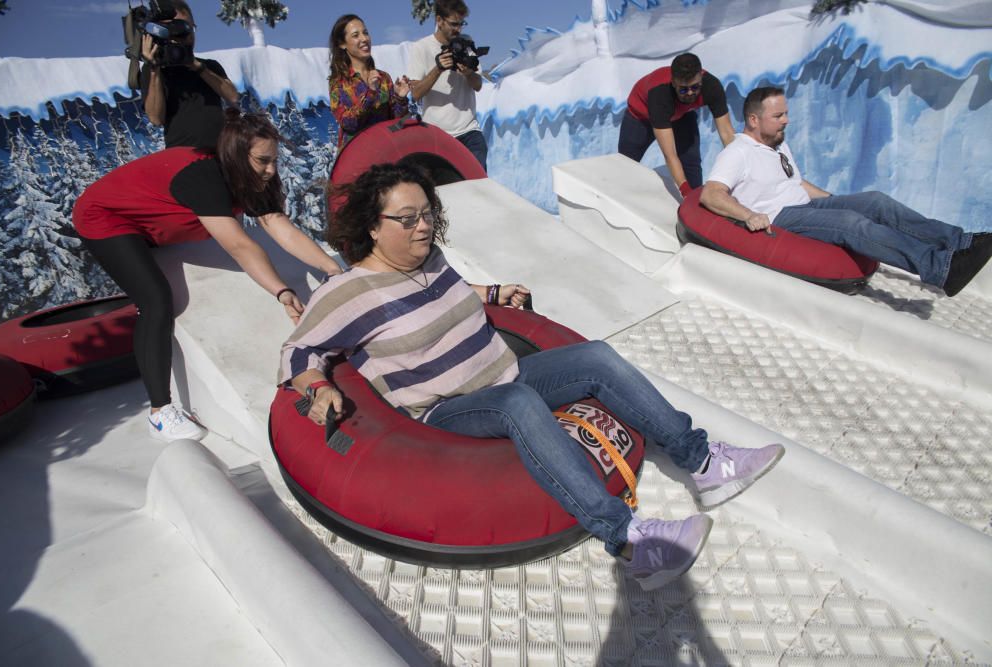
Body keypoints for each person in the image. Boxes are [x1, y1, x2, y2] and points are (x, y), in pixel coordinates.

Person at [278, 162, 784, 590]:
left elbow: (447, 295)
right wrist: (318, 387)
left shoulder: (429, 259)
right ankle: (629, 542)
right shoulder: (346, 294)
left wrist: (492, 293)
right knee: (517, 405)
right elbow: (298, 350)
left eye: (427, 213)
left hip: (507, 369)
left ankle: (703, 464)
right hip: (450, 408)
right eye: (407, 219)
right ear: (372, 225)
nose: (423, 227)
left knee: (596, 356)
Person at [75, 110, 342, 442]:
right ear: (236, 156)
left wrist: (333, 270)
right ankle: (160, 413)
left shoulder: (253, 176)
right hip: (107, 217)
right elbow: (239, 245)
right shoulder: (204, 177)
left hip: (156, 221)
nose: (271, 169)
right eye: (263, 160)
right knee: (156, 300)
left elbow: (278, 226)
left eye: (274, 160)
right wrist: (282, 291)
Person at [700, 86, 992, 297]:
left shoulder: (777, 144)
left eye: (786, 113)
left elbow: (796, 183)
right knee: (852, 225)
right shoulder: (737, 152)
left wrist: (835, 202)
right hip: (780, 217)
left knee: (875, 202)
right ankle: (939, 268)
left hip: (806, 206)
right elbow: (711, 194)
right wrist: (749, 215)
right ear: (754, 120)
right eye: (778, 116)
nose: (786, 120)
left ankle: (960, 241)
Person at [618, 53, 735, 197]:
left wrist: (740, 170)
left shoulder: (712, 87)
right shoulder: (660, 95)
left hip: (681, 115)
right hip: (640, 116)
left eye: (695, 87)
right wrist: (684, 191)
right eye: (683, 89)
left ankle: (695, 203)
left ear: (701, 78)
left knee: (691, 161)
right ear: (673, 83)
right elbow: (670, 155)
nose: (690, 93)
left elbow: (727, 134)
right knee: (625, 164)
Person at [141, 1, 240, 149]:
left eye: (187, 28)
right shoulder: (155, 70)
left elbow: (233, 97)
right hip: (181, 155)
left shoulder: (209, 66)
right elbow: (156, 118)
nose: (182, 34)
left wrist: (196, 66)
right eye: (174, 28)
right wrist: (154, 69)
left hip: (219, 152)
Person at [407, 0, 487, 170]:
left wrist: (467, 73)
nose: (458, 29)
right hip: (436, 135)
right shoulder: (421, 47)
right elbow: (414, 94)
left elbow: (478, 84)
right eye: (453, 24)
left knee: (479, 189)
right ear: (439, 20)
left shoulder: (467, 42)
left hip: (469, 131)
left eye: (461, 24)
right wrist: (438, 69)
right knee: (443, 192)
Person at [328, 14, 410, 151]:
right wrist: (370, 93)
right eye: (356, 35)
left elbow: (397, 123)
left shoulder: (383, 78)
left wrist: (400, 98)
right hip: (356, 157)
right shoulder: (338, 82)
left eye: (365, 33)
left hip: (385, 153)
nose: (364, 39)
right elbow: (349, 124)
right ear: (342, 44)